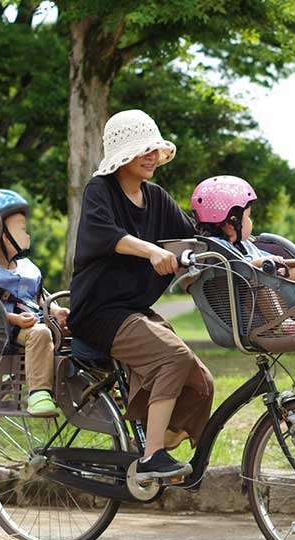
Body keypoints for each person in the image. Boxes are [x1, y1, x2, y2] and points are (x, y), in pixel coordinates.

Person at [68, 109, 213, 481]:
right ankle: (152, 457)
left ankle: (156, 442)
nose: (152, 155)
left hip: (133, 311)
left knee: (201, 382)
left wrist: (237, 245)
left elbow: (192, 238)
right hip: (99, 312)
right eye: (143, 149)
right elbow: (105, 234)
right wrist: (151, 251)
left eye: (154, 149)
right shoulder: (100, 190)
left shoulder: (157, 198)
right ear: (123, 154)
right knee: (173, 357)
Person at [0, 189, 69, 417]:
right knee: (40, 333)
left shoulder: (28, 267)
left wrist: (55, 310)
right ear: (2, 235)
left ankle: (99, 385)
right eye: (22, 230)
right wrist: (14, 319)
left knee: (82, 325)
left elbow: (39, 296)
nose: (28, 235)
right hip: (11, 328)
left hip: (36, 320)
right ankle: (38, 393)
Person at [190, 175, 295, 285]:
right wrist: (260, 262)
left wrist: (273, 260)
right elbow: (236, 269)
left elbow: (265, 258)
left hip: (260, 295)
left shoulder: (243, 245)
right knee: (284, 274)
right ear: (232, 221)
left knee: (289, 271)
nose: (250, 221)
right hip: (251, 297)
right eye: (248, 216)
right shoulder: (218, 249)